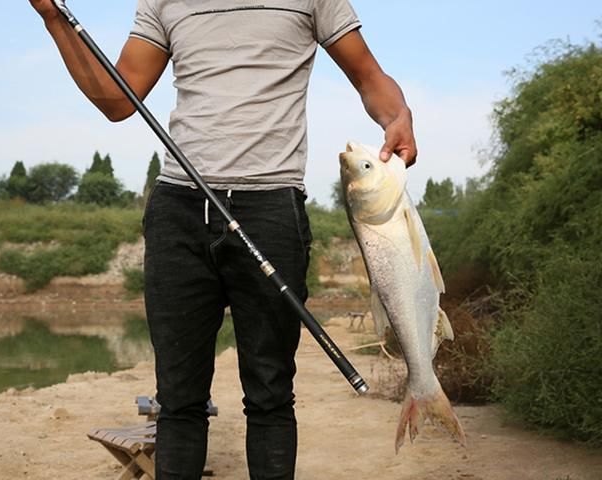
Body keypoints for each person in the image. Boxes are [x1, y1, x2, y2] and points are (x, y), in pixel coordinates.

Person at [30, 1, 417, 478]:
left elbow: (368, 76)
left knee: (271, 392)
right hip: (179, 208)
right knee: (178, 398)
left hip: (271, 206)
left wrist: (397, 114)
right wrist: (52, 17)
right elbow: (117, 99)